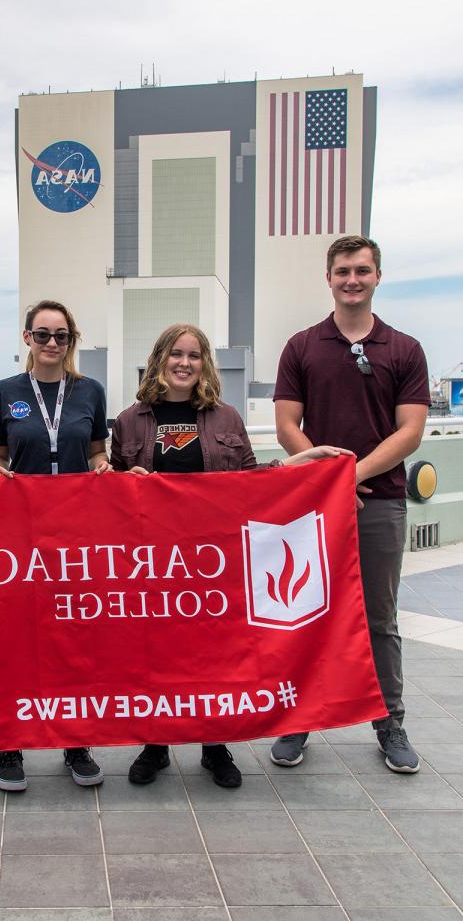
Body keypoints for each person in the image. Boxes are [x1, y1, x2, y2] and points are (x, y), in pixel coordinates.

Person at [110, 323, 351, 788]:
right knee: (155, 654)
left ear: (205, 365)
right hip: (153, 563)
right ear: (160, 359)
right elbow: (109, 496)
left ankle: (214, 745)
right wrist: (123, 482)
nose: (184, 363)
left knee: (212, 655)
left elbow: (251, 484)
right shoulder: (129, 420)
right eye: (176, 354)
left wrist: (305, 460)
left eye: (194, 356)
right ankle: (155, 744)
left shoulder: (226, 419)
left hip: (214, 562)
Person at [268, 235, 430, 774]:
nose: (351, 279)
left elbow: (410, 432)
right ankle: (298, 719)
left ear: (377, 276)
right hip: (312, 508)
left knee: (379, 620)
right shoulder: (303, 346)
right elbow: (287, 423)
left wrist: (351, 476)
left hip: (379, 504)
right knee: (305, 615)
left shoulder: (404, 349)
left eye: (362, 270)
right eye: (342, 271)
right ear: (329, 277)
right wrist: (326, 480)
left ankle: (390, 722)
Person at [0, 299, 110, 792]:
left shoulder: (89, 391)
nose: (52, 344)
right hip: (22, 536)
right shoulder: (4, 392)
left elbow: (96, 451)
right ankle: (9, 743)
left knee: (73, 638)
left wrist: (101, 468)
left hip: (78, 536)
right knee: (18, 638)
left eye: (61, 336)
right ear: (27, 339)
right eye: (43, 335)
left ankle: (75, 741)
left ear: (71, 340)